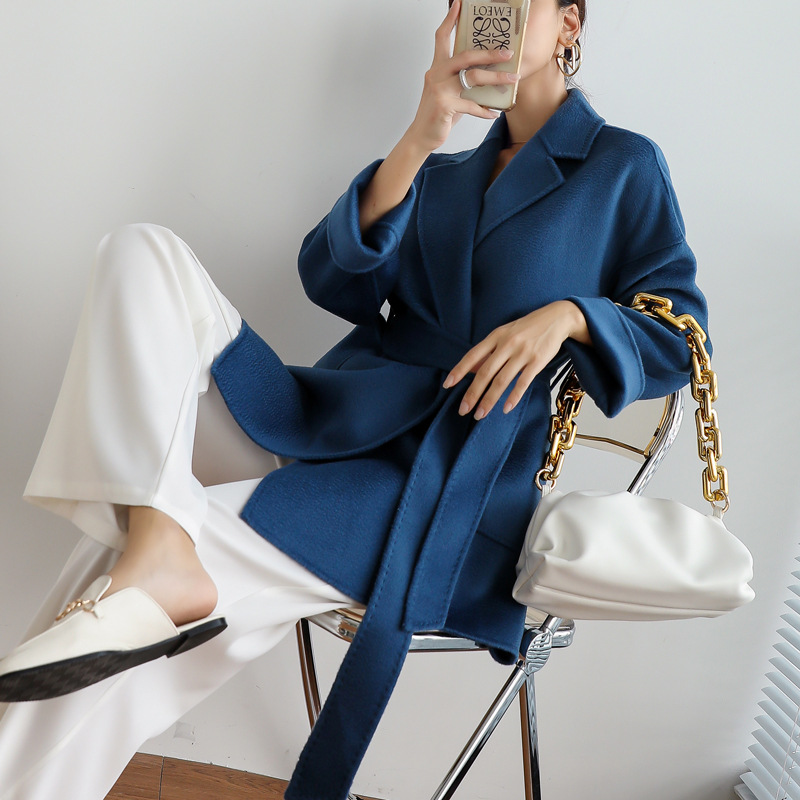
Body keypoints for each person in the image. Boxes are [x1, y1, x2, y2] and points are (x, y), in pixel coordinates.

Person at [0, 1, 711, 798]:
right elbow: (333, 280)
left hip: (440, 487)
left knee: (119, 575)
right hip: (327, 418)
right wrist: (423, 132)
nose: (493, 16)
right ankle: (161, 548)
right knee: (141, 253)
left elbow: (681, 338)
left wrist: (571, 316)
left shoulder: (622, 166)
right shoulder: (439, 173)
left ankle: (157, 564)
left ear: (569, 24)